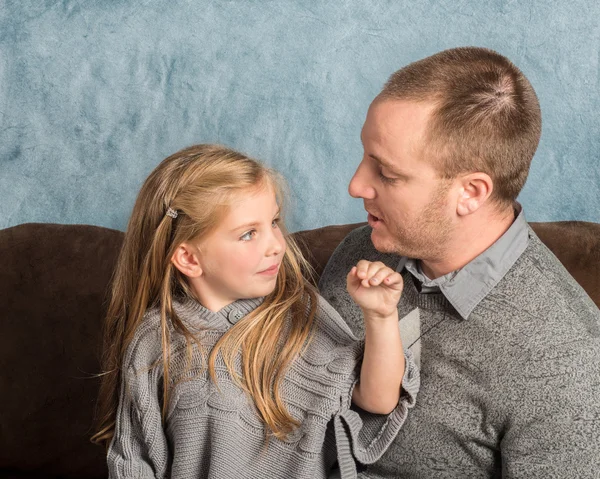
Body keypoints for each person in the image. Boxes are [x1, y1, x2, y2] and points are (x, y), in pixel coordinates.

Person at [319, 46, 600, 478]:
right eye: (364, 158)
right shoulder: (361, 250)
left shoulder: (565, 366)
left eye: (387, 174)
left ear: (470, 192)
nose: (356, 185)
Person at [90, 144, 419, 479]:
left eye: (274, 222)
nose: (276, 245)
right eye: (248, 234)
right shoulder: (154, 340)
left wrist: (380, 316)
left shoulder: (299, 311)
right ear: (189, 258)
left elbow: (376, 401)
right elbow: (134, 458)